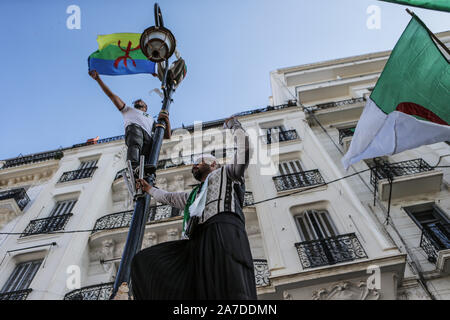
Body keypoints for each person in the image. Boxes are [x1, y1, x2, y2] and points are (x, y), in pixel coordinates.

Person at [131, 116, 257, 300]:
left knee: (231, 282)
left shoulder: (228, 173)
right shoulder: (193, 196)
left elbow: (245, 149)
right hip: (196, 239)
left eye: (200, 160)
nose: (194, 165)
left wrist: (234, 125)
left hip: (223, 226)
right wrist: (148, 188)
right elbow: (168, 198)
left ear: (214, 164)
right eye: (194, 163)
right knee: (144, 261)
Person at [88, 70, 171, 172]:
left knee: (151, 148)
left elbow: (166, 136)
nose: (138, 101)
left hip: (148, 137)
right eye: (136, 101)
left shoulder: (151, 119)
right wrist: (98, 79)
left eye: (141, 101)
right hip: (135, 129)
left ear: (146, 107)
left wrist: (166, 120)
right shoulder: (128, 110)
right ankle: (134, 166)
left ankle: (146, 171)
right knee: (135, 139)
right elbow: (112, 96)